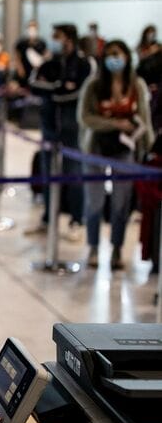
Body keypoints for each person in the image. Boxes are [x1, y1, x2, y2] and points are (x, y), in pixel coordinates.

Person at [79, 40, 154, 270]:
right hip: (97, 149)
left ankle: (117, 249)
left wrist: (148, 148)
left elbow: (145, 119)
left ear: (127, 57)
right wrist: (115, 124)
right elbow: (85, 117)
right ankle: (92, 246)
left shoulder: (136, 85)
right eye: (110, 55)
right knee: (94, 201)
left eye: (118, 54)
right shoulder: (93, 85)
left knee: (121, 203)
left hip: (125, 150)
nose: (114, 59)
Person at [26, 24, 90, 239]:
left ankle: (76, 220)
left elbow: (79, 93)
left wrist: (53, 89)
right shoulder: (50, 62)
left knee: (74, 173)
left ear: (69, 38)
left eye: (58, 37)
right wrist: (60, 87)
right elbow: (34, 84)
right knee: (47, 173)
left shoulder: (83, 63)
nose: (54, 40)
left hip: (72, 127)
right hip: (49, 125)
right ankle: (48, 218)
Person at [15, 19, 47, 89]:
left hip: (36, 73)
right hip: (24, 72)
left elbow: (44, 56)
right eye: (30, 26)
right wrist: (20, 69)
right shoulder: (21, 43)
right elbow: (17, 57)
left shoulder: (41, 43)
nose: (32, 29)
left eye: (34, 27)